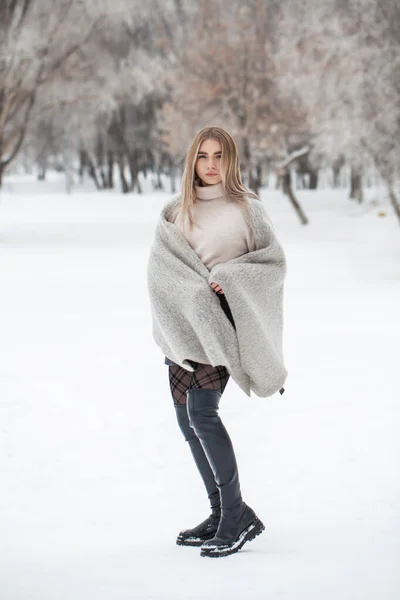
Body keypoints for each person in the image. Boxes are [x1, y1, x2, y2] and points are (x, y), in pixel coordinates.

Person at [147, 126, 287, 558]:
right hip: (182, 326)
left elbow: (271, 265)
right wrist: (185, 295)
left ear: (231, 162)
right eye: (203, 156)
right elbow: (162, 267)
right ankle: (220, 512)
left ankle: (237, 514)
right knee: (185, 420)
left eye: (219, 157)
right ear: (193, 161)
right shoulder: (176, 210)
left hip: (220, 324)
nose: (210, 165)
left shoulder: (248, 210)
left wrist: (230, 278)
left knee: (202, 414)